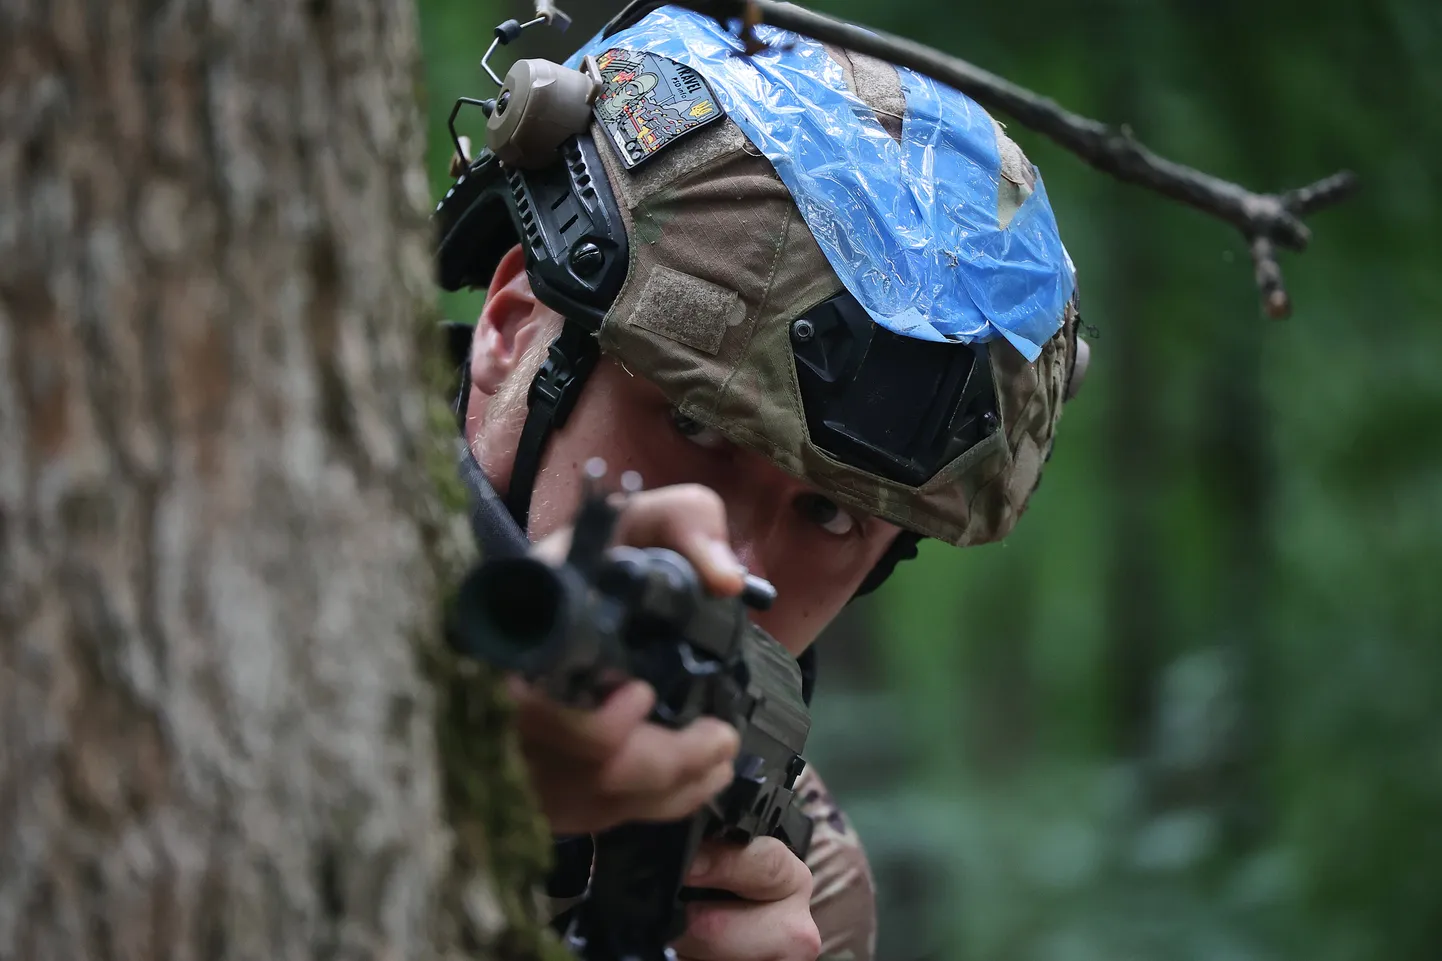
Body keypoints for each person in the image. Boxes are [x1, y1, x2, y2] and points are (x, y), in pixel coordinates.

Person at [436, 6, 1089, 961]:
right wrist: (469, 810)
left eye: (828, 513)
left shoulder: (798, 876)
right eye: (694, 424)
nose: (731, 557)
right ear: (510, 330)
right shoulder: (243, 559)